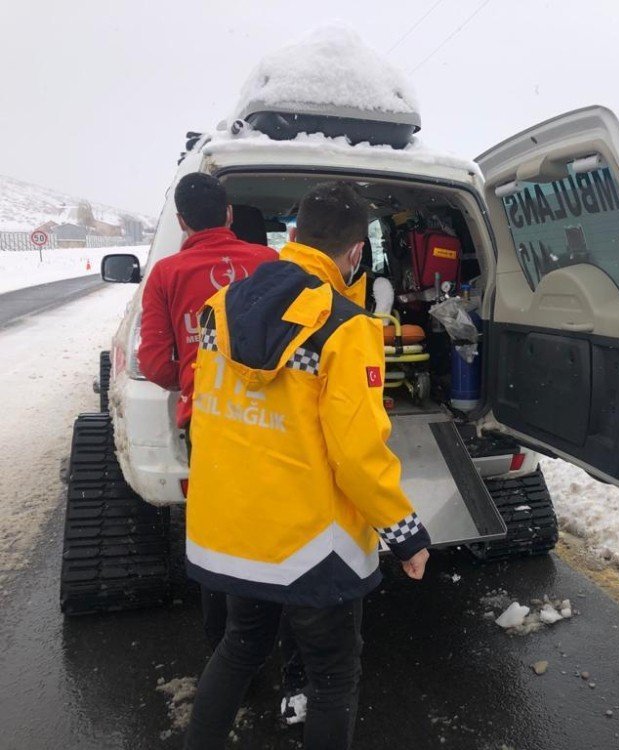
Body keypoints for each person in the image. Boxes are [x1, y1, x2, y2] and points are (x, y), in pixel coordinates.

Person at [183, 182, 431, 749]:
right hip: (312, 545)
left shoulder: (220, 308)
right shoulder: (346, 328)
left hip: (234, 531)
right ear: (355, 254)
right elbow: (358, 455)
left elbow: (212, 416)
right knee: (331, 677)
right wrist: (405, 533)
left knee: (240, 646)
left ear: (293, 237)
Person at [138, 173, 277, 648]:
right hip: (273, 417)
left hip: (211, 421)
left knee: (221, 531)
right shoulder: (269, 261)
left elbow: (154, 362)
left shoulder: (166, 274)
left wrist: (196, 377)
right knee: (272, 519)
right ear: (230, 215)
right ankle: (278, 622)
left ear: (181, 221)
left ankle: (227, 641)